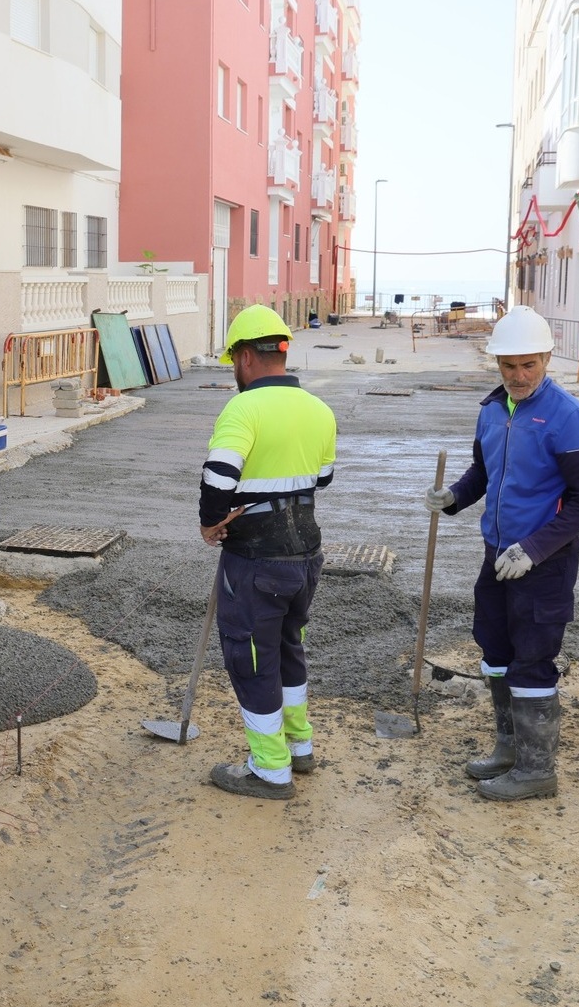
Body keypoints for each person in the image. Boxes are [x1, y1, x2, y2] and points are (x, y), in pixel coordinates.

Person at [426, 307, 579, 801]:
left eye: (529, 365)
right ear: (497, 364)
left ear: (547, 357)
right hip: (497, 555)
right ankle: (509, 747)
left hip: (544, 563)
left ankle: (536, 769)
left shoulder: (569, 418)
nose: (519, 376)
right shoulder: (490, 410)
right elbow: (483, 474)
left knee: (533, 658)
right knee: (496, 651)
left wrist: (537, 547)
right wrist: (455, 498)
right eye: (509, 366)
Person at [198, 304, 337, 800]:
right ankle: (300, 748)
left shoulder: (243, 409)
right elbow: (322, 477)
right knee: (287, 647)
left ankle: (270, 771)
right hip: (306, 554)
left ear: (243, 358)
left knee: (252, 659)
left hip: (256, 559)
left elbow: (218, 479)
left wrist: (212, 523)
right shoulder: (319, 410)